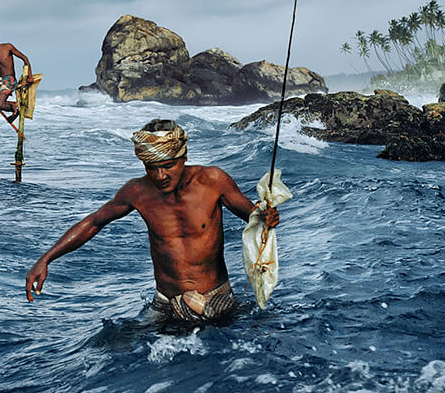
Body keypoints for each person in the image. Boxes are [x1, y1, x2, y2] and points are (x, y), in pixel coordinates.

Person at [24, 119, 280, 325]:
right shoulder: (137, 192)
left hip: (215, 298)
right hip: (165, 303)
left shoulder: (212, 181)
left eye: (167, 165)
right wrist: (45, 259)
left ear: (183, 157)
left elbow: (252, 214)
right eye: (150, 167)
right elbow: (94, 222)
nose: (160, 175)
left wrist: (266, 216)